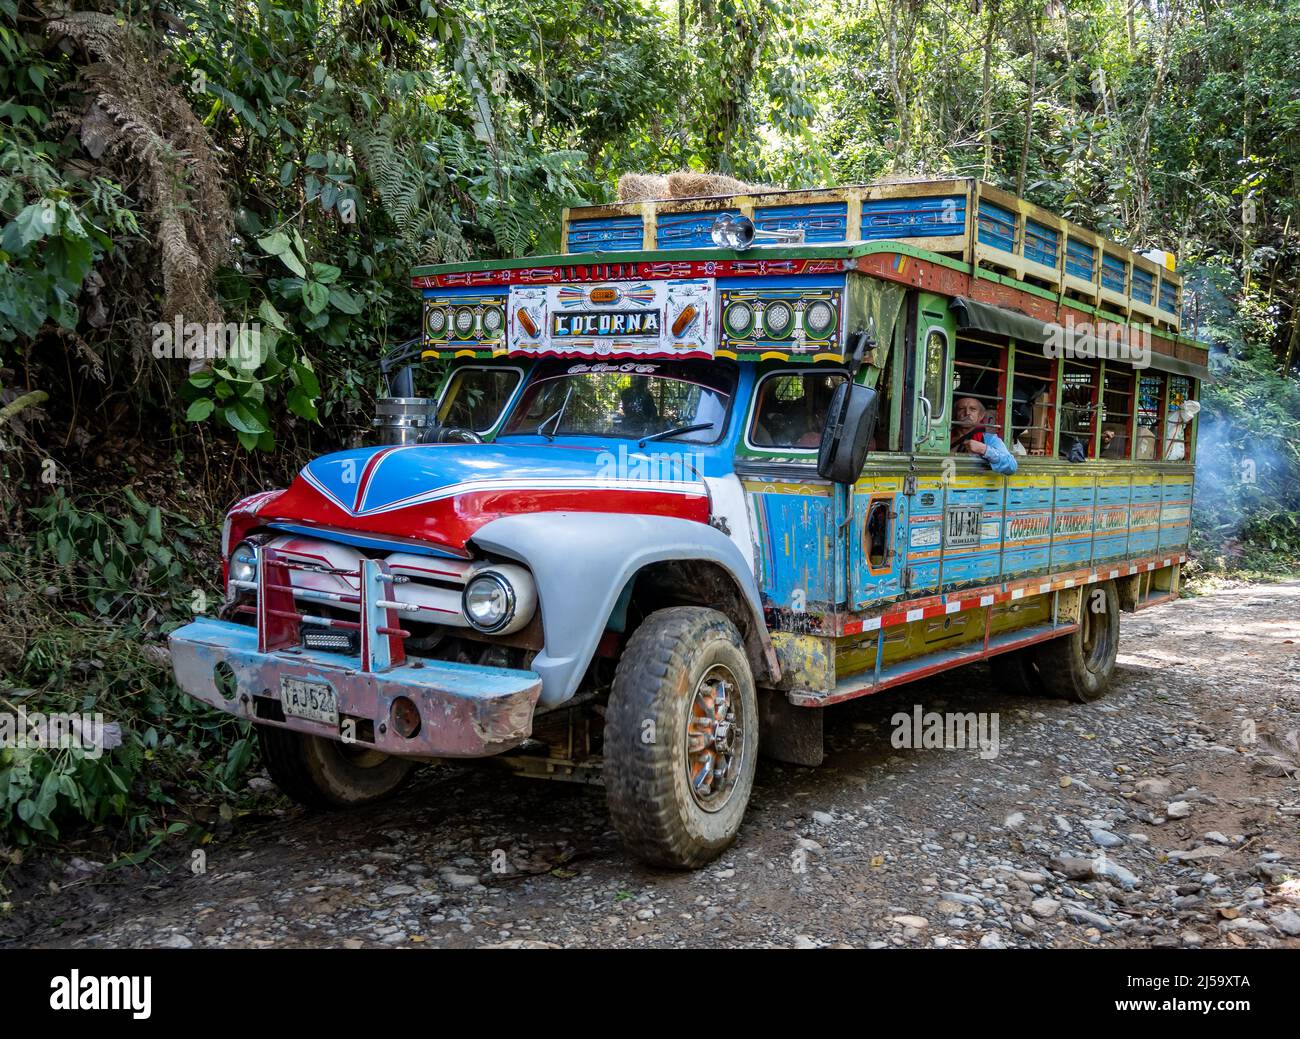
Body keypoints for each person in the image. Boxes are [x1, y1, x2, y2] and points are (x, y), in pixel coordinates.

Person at [951, 396, 1017, 475]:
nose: (967, 413)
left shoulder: (989, 439)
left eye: (973, 409)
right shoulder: (945, 437)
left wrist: (984, 449)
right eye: (961, 408)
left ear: (980, 416)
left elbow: (1012, 466)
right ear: (955, 414)